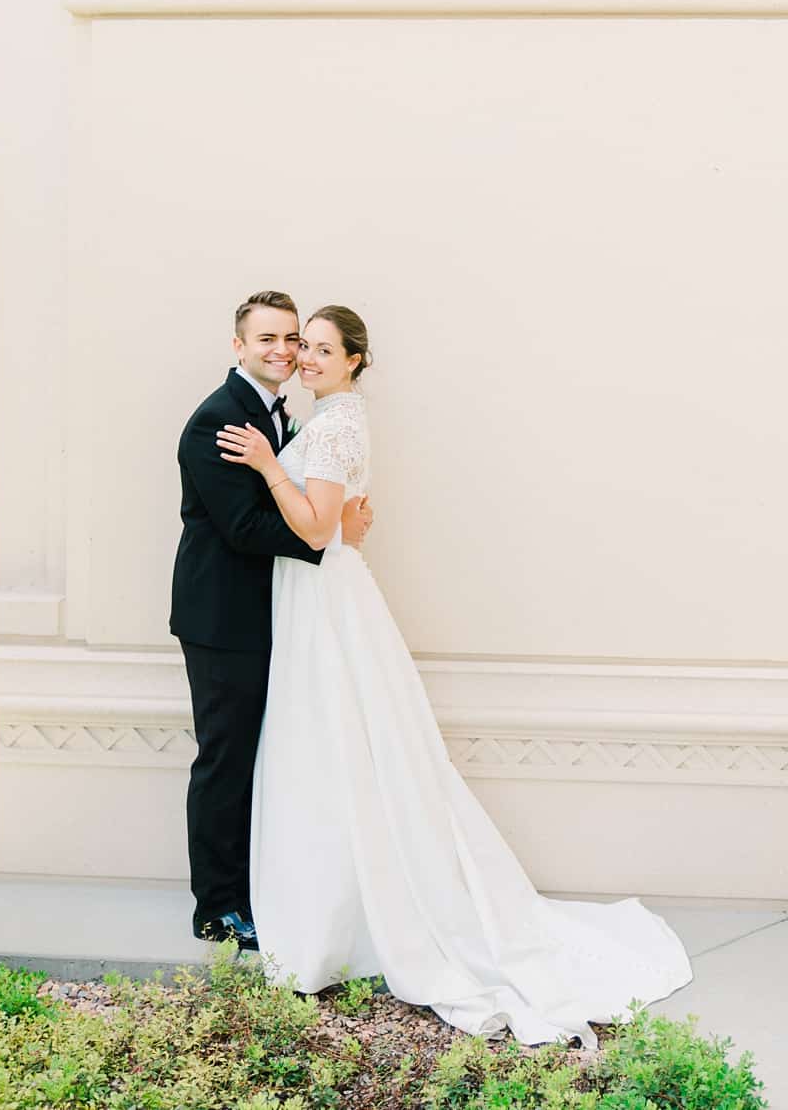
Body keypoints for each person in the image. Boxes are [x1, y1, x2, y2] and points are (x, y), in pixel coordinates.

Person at [216, 304, 692, 1047]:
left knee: (335, 738)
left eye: (321, 349)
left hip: (324, 598)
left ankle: (349, 914)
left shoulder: (338, 425)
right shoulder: (330, 418)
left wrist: (271, 467)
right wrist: (327, 510)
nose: (305, 358)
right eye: (300, 346)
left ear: (354, 362)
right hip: (318, 592)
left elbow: (313, 529)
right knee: (331, 745)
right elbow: (333, 523)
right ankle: (334, 901)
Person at [170, 290, 373, 948]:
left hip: (271, 613)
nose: (284, 351)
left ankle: (259, 888)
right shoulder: (219, 421)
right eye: (269, 339)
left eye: (294, 339)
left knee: (263, 753)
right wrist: (327, 537)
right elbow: (243, 526)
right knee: (225, 758)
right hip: (221, 616)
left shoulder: (281, 414)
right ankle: (217, 906)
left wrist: (334, 528)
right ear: (238, 346)